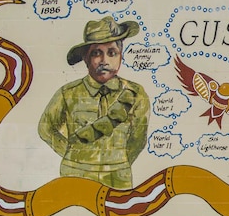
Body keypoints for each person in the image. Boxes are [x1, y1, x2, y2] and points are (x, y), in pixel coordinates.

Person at [39, 16, 149, 189]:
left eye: (112, 53)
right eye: (96, 53)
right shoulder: (68, 93)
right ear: (85, 58)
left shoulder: (136, 94)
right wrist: (71, 154)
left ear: (121, 56)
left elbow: (138, 139)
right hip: (75, 176)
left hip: (118, 179)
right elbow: (45, 128)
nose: (104, 60)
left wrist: (119, 162)